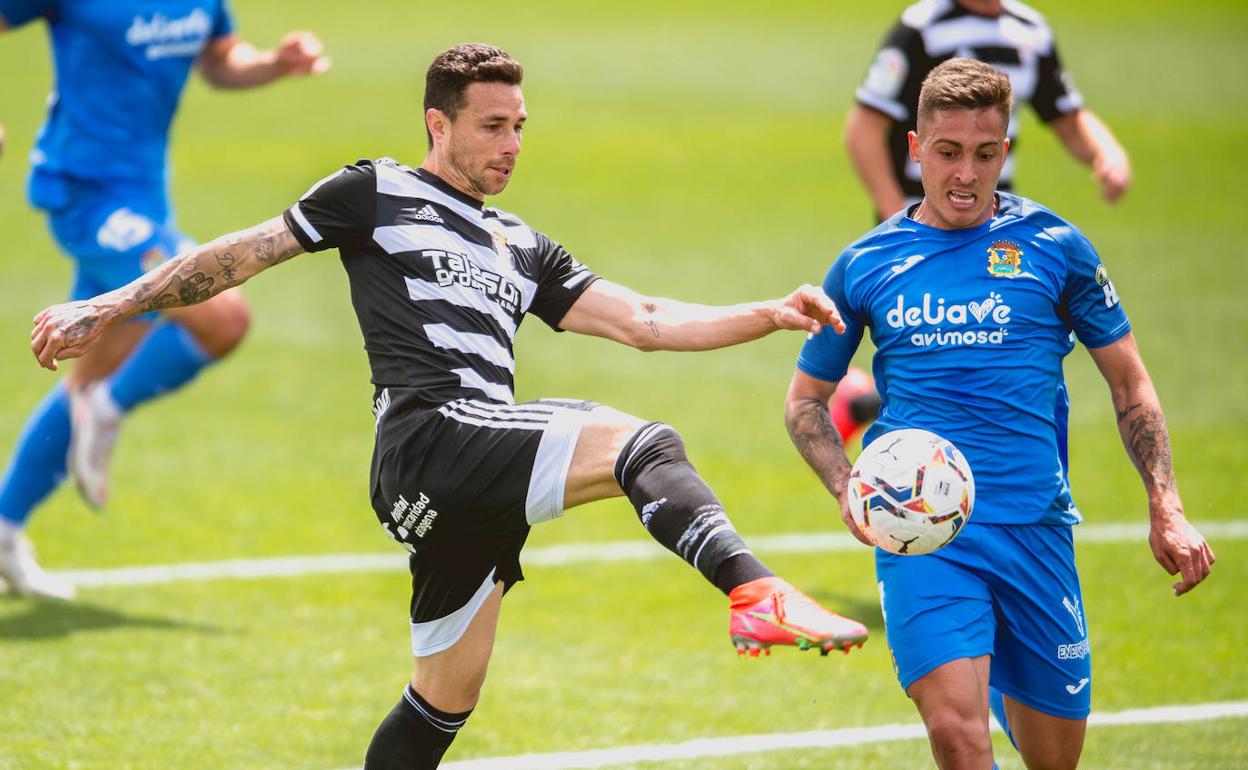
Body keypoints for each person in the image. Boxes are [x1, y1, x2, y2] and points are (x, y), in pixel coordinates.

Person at [31, 43, 870, 769]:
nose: (510, 145)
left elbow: (644, 321)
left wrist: (766, 312)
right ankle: (755, 592)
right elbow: (240, 255)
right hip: (430, 437)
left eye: (519, 128)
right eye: (492, 126)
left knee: (441, 704)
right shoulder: (374, 190)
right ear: (439, 124)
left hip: (469, 482)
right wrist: (109, 306)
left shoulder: (522, 244)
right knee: (643, 443)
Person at [785, 58, 1213, 769]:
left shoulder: (1057, 250)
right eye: (947, 152)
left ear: (1005, 152)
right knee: (958, 735)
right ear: (915, 148)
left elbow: (1131, 384)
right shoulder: (867, 264)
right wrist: (846, 488)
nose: (965, 174)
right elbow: (804, 401)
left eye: (985, 155)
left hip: (1036, 533)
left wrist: (1164, 505)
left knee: (1052, 759)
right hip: (924, 540)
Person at [0, 1, 330, 600]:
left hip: (146, 198)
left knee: (83, 368)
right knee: (223, 318)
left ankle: (4, 528)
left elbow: (220, 57)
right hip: (81, 193)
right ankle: (107, 405)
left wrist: (272, 65)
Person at [845, 0, 1131, 223]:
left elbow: (1067, 117)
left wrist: (1107, 153)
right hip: (921, 218)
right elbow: (864, 130)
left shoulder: (1031, 31)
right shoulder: (921, 29)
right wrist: (897, 218)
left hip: (991, 220)